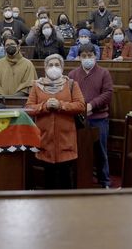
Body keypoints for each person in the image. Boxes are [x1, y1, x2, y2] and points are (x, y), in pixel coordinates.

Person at [26, 54, 85, 189]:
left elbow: (80, 105)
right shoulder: (36, 85)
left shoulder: (71, 84)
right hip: (45, 139)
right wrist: (44, 106)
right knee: (48, 181)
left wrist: (61, 105)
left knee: (66, 180)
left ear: (62, 67)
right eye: (50, 65)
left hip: (66, 140)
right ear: (45, 68)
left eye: (57, 65)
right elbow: (29, 108)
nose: (54, 68)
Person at [68, 44, 114, 188]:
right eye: (84, 56)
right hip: (78, 119)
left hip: (98, 118)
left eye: (90, 56)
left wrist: (92, 105)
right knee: (78, 151)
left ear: (95, 56)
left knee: (101, 151)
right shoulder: (72, 74)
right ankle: (78, 180)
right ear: (79, 58)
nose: (87, 59)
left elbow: (107, 94)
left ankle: (104, 181)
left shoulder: (104, 73)